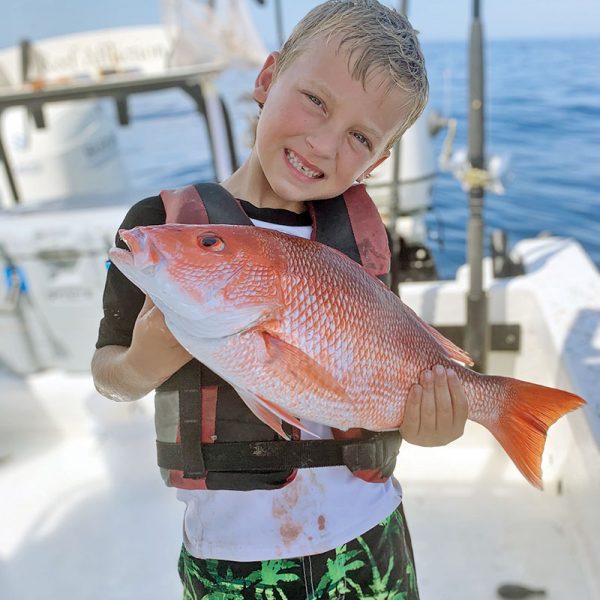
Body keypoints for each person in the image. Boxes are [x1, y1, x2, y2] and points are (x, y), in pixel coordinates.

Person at [92, 1, 469, 597]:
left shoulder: (365, 242)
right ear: (267, 79)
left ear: (379, 161)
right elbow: (109, 375)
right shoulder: (163, 231)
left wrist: (431, 424)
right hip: (231, 559)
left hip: (371, 536)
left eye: (360, 137)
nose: (323, 143)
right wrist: (144, 361)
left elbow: (385, 372)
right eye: (316, 100)